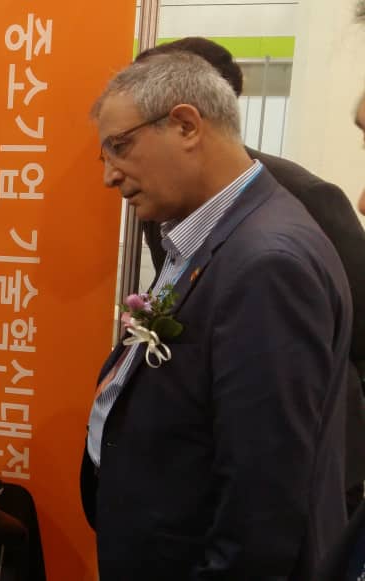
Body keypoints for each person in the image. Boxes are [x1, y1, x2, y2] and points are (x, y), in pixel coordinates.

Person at [81, 52, 351, 579]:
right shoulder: (210, 233)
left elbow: (264, 496)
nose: (110, 176)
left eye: (121, 147)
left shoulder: (267, 263)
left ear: (185, 125)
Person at [135, 38, 365, 515]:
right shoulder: (161, 202)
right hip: (212, 456)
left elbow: (357, 332)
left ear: (189, 117)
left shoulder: (304, 195)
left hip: (306, 462)